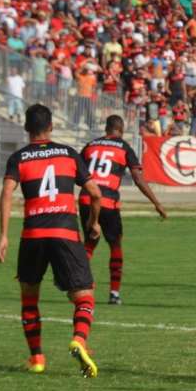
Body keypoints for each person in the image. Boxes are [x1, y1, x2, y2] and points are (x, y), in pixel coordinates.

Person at [0, 104, 103, 377]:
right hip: (65, 233)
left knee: (29, 298)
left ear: (26, 128)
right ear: (52, 126)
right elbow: (95, 192)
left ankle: (37, 359)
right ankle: (79, 340)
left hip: (32, 235)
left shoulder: (19, 158)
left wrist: (4, 235)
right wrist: (93, 222)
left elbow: (7, 192)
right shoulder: (68, 153)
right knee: (84, 296)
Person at [80, 115, 169, 305]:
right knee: (115, 245)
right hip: (108, 202)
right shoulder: (124, 147)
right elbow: (138, 179)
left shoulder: (90, 145)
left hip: (87, 199)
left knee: (89, 243)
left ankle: (84, 287)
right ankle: (114, 293)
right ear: (121, 129)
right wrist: (156, 203)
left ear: (106, 128)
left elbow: (76, 173)